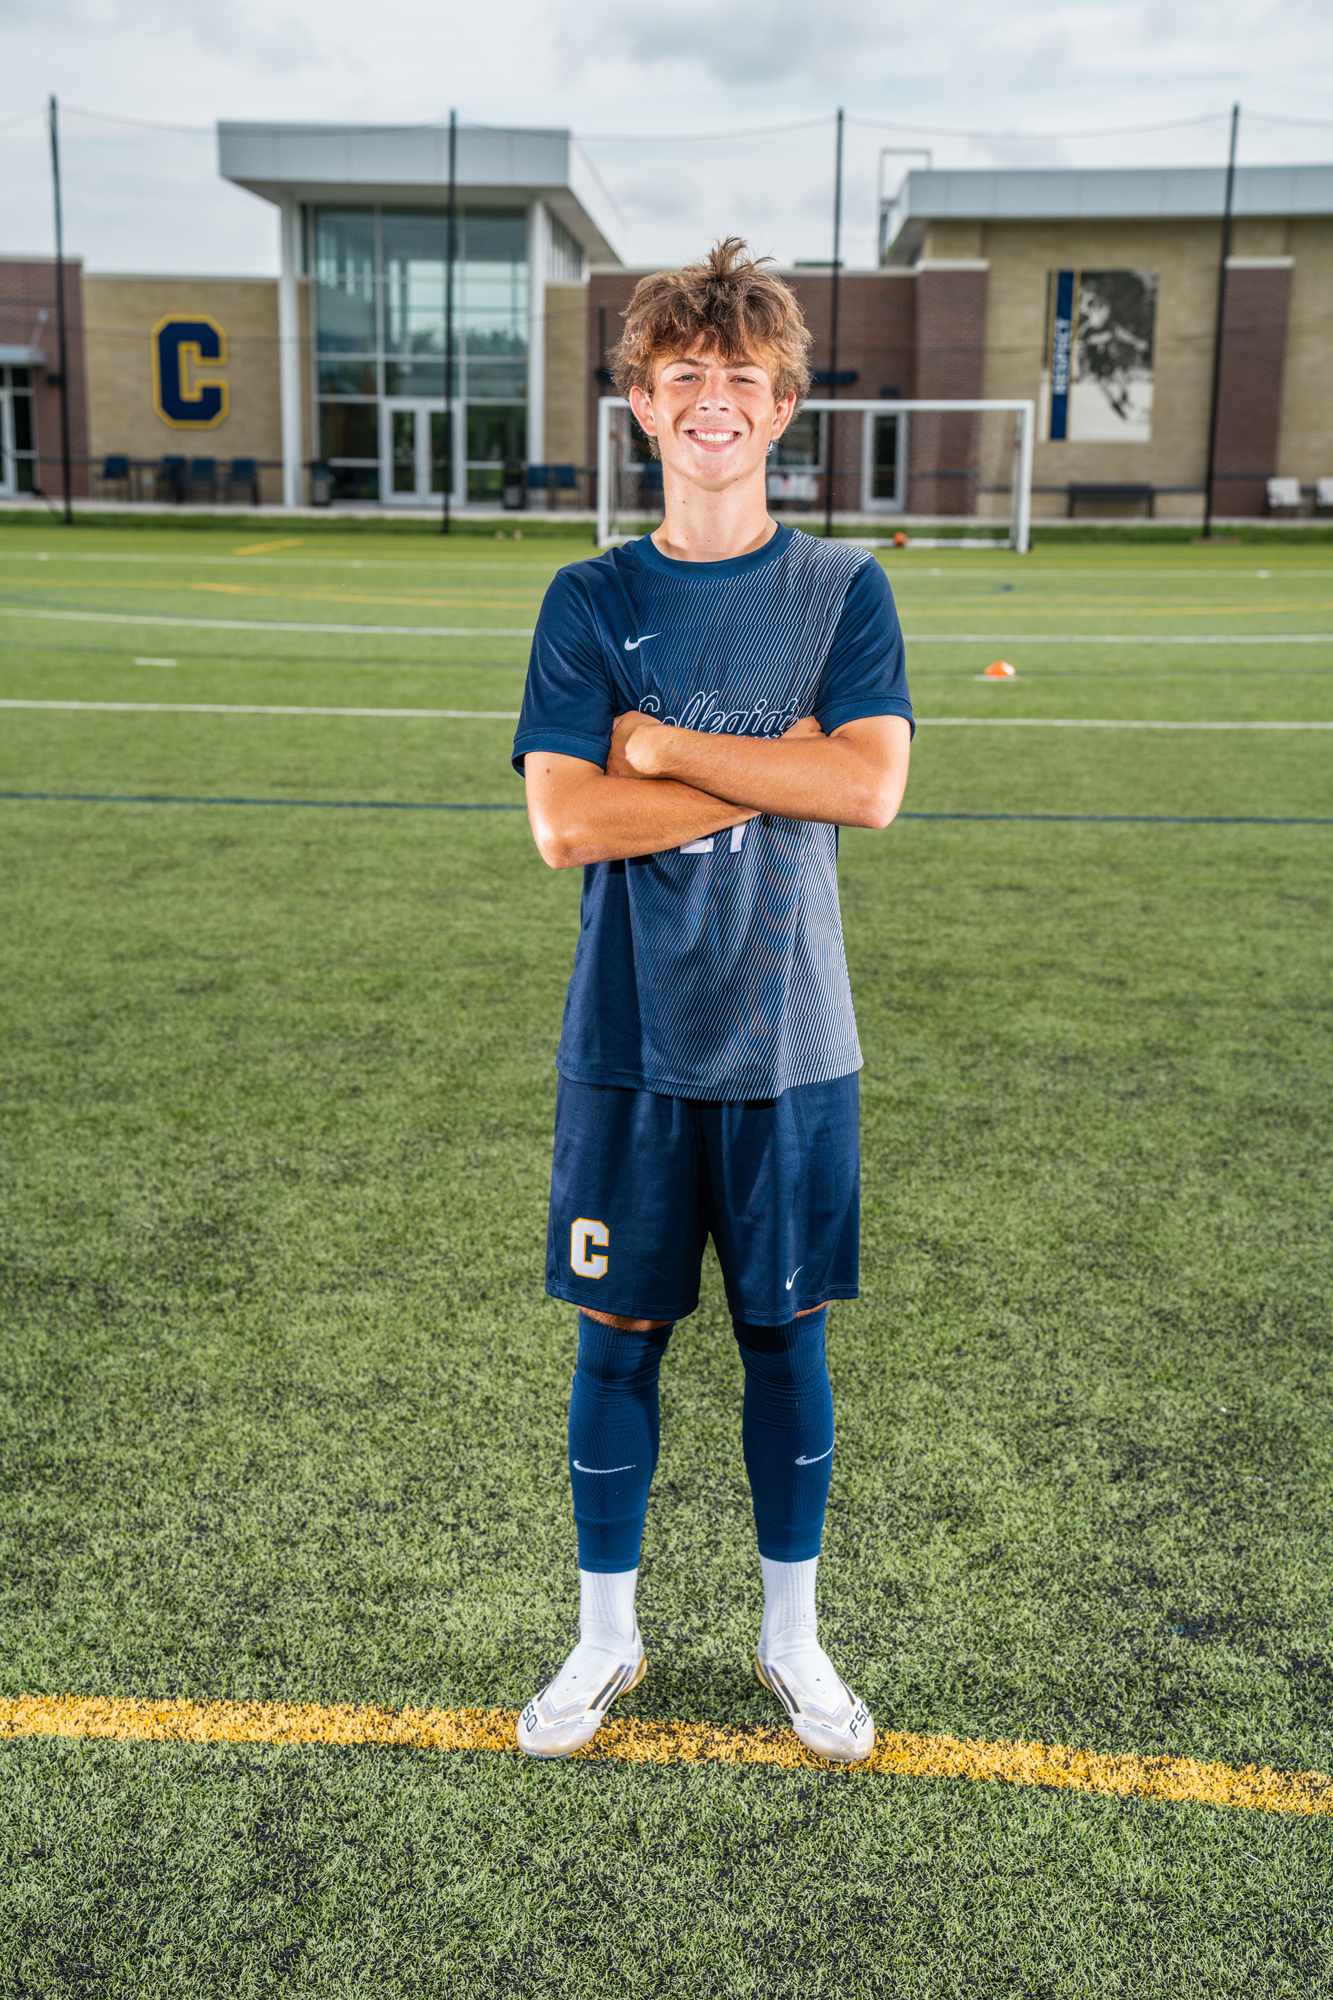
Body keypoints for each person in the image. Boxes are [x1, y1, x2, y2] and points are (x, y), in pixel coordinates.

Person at [511, 238, 913, 1763]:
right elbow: (566, 825)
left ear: (783, 405)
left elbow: (865, 789)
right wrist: (773, 765)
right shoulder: (588, 595)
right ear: (639, 404)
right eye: (681, 376)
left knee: (783, 1341)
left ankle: (789, 1639)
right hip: (625, 1047)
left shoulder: (840, 590)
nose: (711, 401)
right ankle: (602, 1639)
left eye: (740, 377)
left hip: (792, 1043)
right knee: (614, 1339)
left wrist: (667, 750)